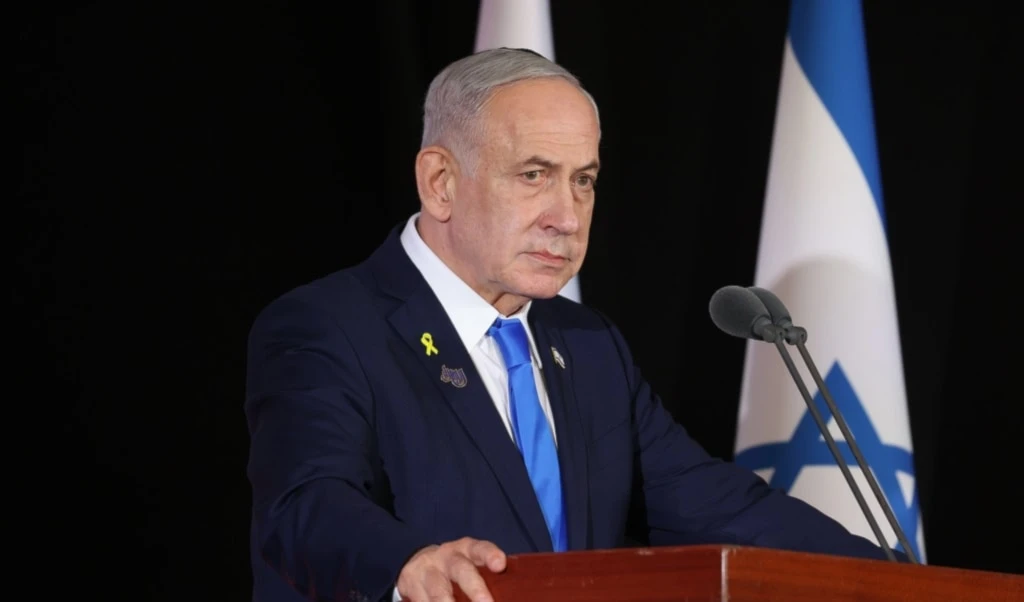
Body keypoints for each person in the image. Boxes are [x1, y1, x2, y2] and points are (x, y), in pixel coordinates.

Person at [245, 47, 899, 602]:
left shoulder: (588, 346)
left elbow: (722, 511)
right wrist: (407, 562)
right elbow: (305, 504)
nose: (568, 215)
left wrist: (891, 582)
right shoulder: (328, 326)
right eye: (535, 176)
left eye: (583, 180)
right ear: (440, 181)